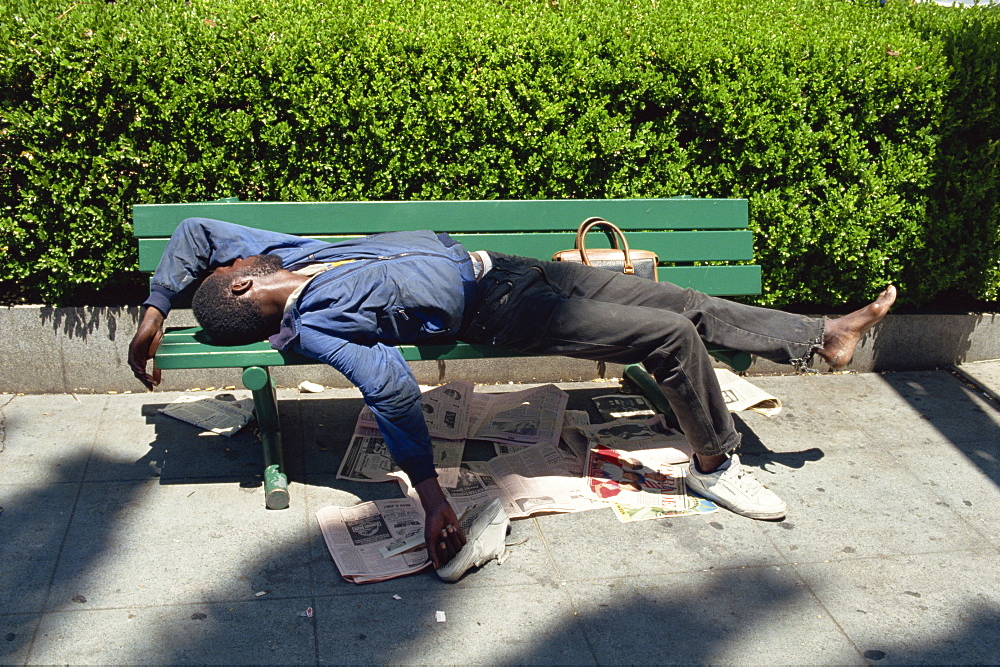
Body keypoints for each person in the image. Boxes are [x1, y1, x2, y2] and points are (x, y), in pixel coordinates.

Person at [128, 217, 896, 572]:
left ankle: (819, 336)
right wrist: (431, 498)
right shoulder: (311, 329)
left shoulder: (291, 256)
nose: (241, 246)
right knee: (672, 341)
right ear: (244, 284)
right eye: (239, 259)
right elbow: (391, 388)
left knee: (684, 305)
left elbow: (194, 230)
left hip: (512, 267)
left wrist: (155, 314)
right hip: (502, 311)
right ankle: (712, 461)